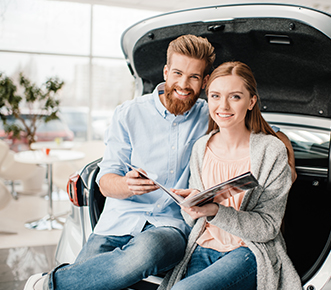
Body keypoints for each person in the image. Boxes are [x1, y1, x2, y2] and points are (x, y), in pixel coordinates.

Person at [24, 35, 295, 290]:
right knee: (87, 279)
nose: (184, 84)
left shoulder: (211, 114)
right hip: (118, 222)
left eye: (194, 77)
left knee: (143, 253)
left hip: (169, 227)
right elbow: (105, 183)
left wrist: (286, 157)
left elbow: (259, 130)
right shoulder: (129, 114)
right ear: (166, 72)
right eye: (177, 73)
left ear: (205, 81)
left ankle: (47, 285)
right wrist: (125, 184)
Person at [159, 61, 302, 290]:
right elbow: (194, 219)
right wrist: (193, 203)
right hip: (203, 244)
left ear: (251, 102)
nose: (223, 106)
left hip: (249, 250)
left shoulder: (270, 150)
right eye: (215, 96)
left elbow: (268, 227)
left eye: (235, 97)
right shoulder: (201, 147)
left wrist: (216, 212)